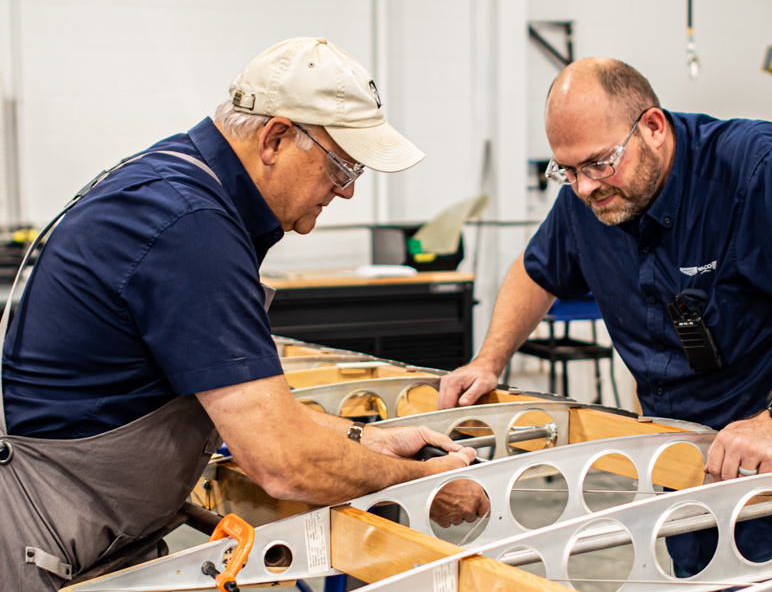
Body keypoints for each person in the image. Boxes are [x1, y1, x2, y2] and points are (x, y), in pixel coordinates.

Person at [0, 37, 487, 591]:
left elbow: (255, 412)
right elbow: (282, 460)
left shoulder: (178, 186)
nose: (347, 192)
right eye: (341, 165)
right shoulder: (188, 226)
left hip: (89, 530)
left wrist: (365, 440)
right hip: (44, 545)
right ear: (276, 138)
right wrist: (422, 481)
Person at [439, 57, 772, 573]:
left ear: (652, 128)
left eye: (598, 163)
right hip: (693, 465)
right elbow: (536, 270)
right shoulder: (590, 197)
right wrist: (488, 360)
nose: (584, 186)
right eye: (566, 171)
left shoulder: (756, 167)